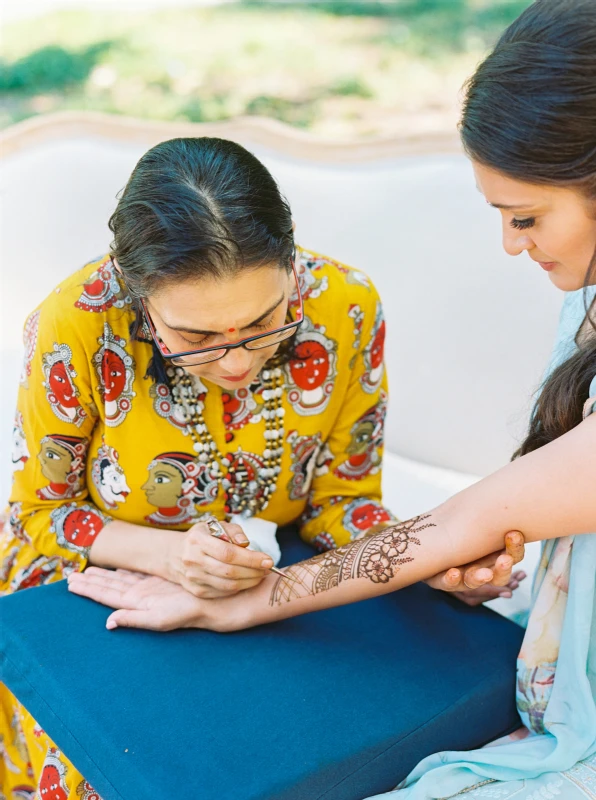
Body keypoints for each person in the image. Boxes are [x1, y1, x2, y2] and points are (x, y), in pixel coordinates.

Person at [70, 1, 596, 798]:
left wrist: (248, 602)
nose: (510, 246)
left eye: (525, 217)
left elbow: (453, 516)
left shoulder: (342, 308)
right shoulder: (76, 324)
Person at [0, 137, 519, 795]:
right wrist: (170, 558)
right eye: (195, 339)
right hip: (98, 590)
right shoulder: (74, 323)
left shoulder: (344, 306)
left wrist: (430, 559)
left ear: (291, 255)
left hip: (287, 581)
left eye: (264, 322)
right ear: (138, 294)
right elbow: (39, 515)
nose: (237, 362)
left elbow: (340, 498)